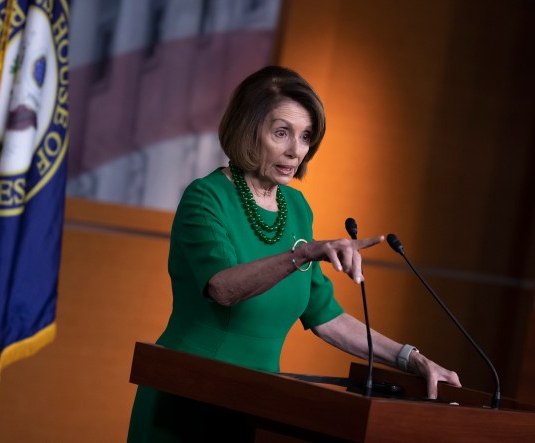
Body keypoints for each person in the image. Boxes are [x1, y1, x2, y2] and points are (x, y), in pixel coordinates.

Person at [127, 66, 461, 441]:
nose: (295, 150)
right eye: (282, 133)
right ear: (248, 130)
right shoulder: (206, 197)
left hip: (256, 404)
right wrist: (301, 255)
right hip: (188, 393)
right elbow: (222, 288)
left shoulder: (297, 208)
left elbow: (325, 316)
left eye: (305, 136)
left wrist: (412, 359)